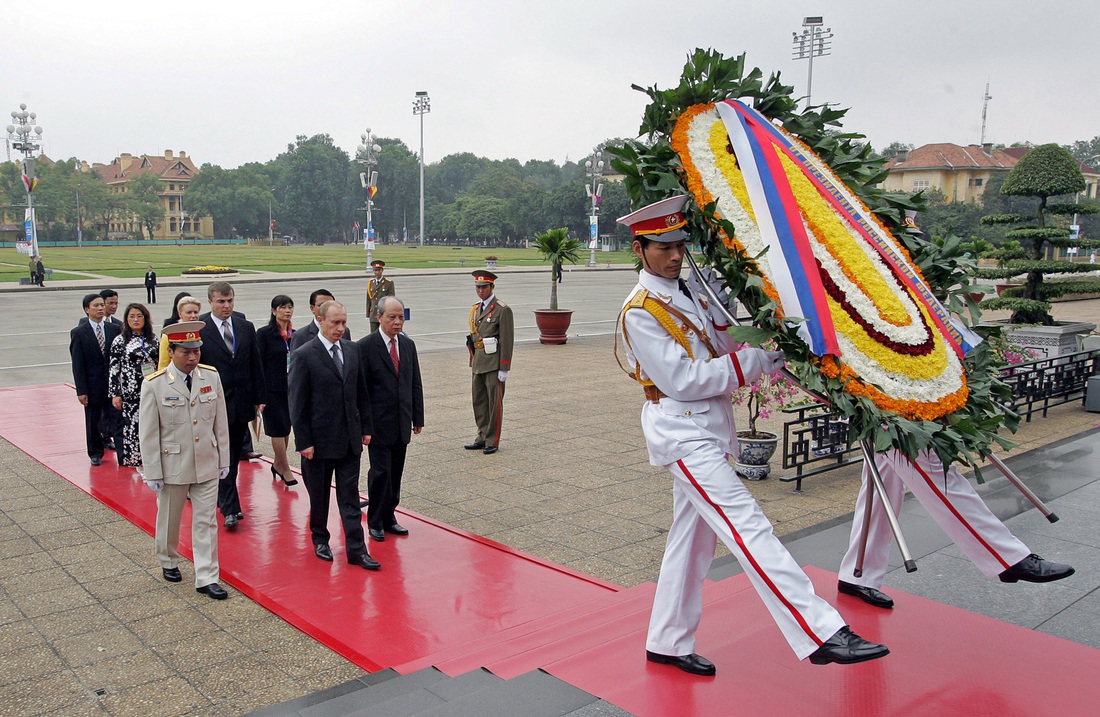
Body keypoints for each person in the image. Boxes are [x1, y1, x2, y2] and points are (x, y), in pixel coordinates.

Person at [616, 195, 888, 676]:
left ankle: (667, 641)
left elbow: (723, 343)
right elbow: (686, 380)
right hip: (682, 431)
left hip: (707, 427)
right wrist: (756, 359)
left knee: (691, 542)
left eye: (680, 242)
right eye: (662, 246)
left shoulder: (691, 292)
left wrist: (753, 327)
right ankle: (820, 630)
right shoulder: (641, 311)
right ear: (639, 249)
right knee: (748, 526)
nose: (675, 254)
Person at [837, 449, 1075, 609]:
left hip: (888, 390)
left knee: (881, 485)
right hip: (885, 399)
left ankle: (858, 573)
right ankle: (1008, 558)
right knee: (934, 472)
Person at [138, 321, 231, 600]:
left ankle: (207, 576)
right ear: (172, 351)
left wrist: (223, 458)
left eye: (196, 351)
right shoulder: (154, 384)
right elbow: (149, 432)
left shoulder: (210, 377)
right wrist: (152, 470)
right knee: (169, 517)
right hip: (172, 465)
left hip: (205, 462)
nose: (192, 358)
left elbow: (220, 422)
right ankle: (167, 558)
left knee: (206, 521)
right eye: (185, 352)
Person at [288, 300, 379, 571]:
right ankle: (320, 538)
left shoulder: (352, 351)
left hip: (349, 439)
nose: (340, 328)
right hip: (318, 442)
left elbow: (361, 393)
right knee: (319, 496)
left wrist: (366, 428)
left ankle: (356, 550)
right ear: (320, 320)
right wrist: (304, 441)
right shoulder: (305, 354)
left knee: (350, 497)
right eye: (334, 323)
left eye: (344, 322)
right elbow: (297, 402)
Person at [199, 282, 264, 529]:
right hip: (213, 405)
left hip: (240, 404)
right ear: (211, 302)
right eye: (221, 302)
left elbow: (254, 363)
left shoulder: (245, 327)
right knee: (220, 457)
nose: (226, 306)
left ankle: (226, 500)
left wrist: (260, 397)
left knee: (234, 457)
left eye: (230, 301)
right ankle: (230, 507)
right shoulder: (202, 329)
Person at [358, 296, 424, 541]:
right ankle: (375, 519)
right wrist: (364, 425)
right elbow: (361, 391)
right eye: (392, 317)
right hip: (377, 425)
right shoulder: (365, 347)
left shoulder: (407, 346)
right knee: (380, 473)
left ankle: (389, 516)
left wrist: (417, 416)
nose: (398, 322)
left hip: (401, 422)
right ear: (379, 317)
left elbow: (414, 382)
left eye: (401, 317)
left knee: (396, 474)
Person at [464, 270, 513, 455]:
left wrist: (504, 367)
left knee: (494, 403)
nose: (480, 290)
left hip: (494, 364)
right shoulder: (476, 308)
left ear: (492, 287)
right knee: (479, 401)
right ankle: (482, 436)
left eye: (484, 287)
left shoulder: (502, 309)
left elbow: (507, 340)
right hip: (478, 362)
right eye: (478, 287)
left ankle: (492, 440)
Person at [70, 294, 122, 466]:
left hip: (113, 383)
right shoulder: (79, 332)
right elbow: (78, 364)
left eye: (102, 305)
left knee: (116, 417)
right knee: (93, 419)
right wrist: (81, 390)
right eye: (96, 306)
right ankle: (95, 452)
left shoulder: (114, 329)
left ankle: (121, 450)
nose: (100, 308)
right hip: (92, 384)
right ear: (87, 309)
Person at [108, 303, 159, 471]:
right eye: (131, 316)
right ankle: (138, 463)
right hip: (130, 391)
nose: (135, 320)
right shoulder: (120, 340)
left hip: (151, 389)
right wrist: (116, 393)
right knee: (133, 427)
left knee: (152, 426)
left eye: (139, 316)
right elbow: (114, 368)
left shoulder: (152, 339)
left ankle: (152, 461)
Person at [256, 294, 298, 487]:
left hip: (289, 388)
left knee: (286, 428)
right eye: (282, 307)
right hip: (271, 389)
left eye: (290, 307)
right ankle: (285, 467)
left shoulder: (294, 335)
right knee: (276, 429)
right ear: (274, 311)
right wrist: (259, 393)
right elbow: (258, 363)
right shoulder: (264, 334)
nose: (287, 311)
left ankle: (277, 464)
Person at [158, 295, 202, 369]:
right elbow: (163, 363)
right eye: (189, 312)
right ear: (180, 314)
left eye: (196, 312)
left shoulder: (203, 330)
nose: (193, 316)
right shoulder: (170, 334)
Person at [366, 260, 396, 335]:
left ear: (382, 270)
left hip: (383, 313)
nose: (377, 272)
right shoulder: (371, 283)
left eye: (378, 270)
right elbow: (369, 300)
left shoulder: (388, 283)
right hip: (373, 314)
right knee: (373, 335)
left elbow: (391, 298)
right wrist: (368, 313)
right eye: (375, 270)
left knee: (384, 334)